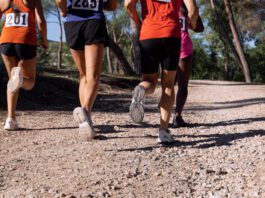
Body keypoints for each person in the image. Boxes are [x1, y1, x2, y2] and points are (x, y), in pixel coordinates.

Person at [125, 0, 199, 143]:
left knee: (148, 81)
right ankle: (163, 131)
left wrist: (138, 22)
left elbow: (128, 4)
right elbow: (193, 10)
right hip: (171, 35)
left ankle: (140, 90)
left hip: (148, 34)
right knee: (168, 84)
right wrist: (193, 22)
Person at [55, 0, 117, 141]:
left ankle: (85, 120)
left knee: (83, 75)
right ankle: (86, 113)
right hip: (94, 21)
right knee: (93, 76)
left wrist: (63, 10)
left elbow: (59, 1)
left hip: (72, 22)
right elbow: (113, 6)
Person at [0, 0, 48, 130]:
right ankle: (19, 79)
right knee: (30, 82)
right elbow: (41, 21)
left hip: (6, 41)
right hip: (25, 40)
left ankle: (10, 119)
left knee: (12, 80)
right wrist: (44, 40)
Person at [173, 3, 204, 127]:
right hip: (183, 46)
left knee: (168, 84)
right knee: (182, 85)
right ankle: (177, 117)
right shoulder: (184, 6)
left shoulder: (164, 5)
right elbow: (200, 28)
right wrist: (193, 16)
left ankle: (163, 117)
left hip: (167, 44)